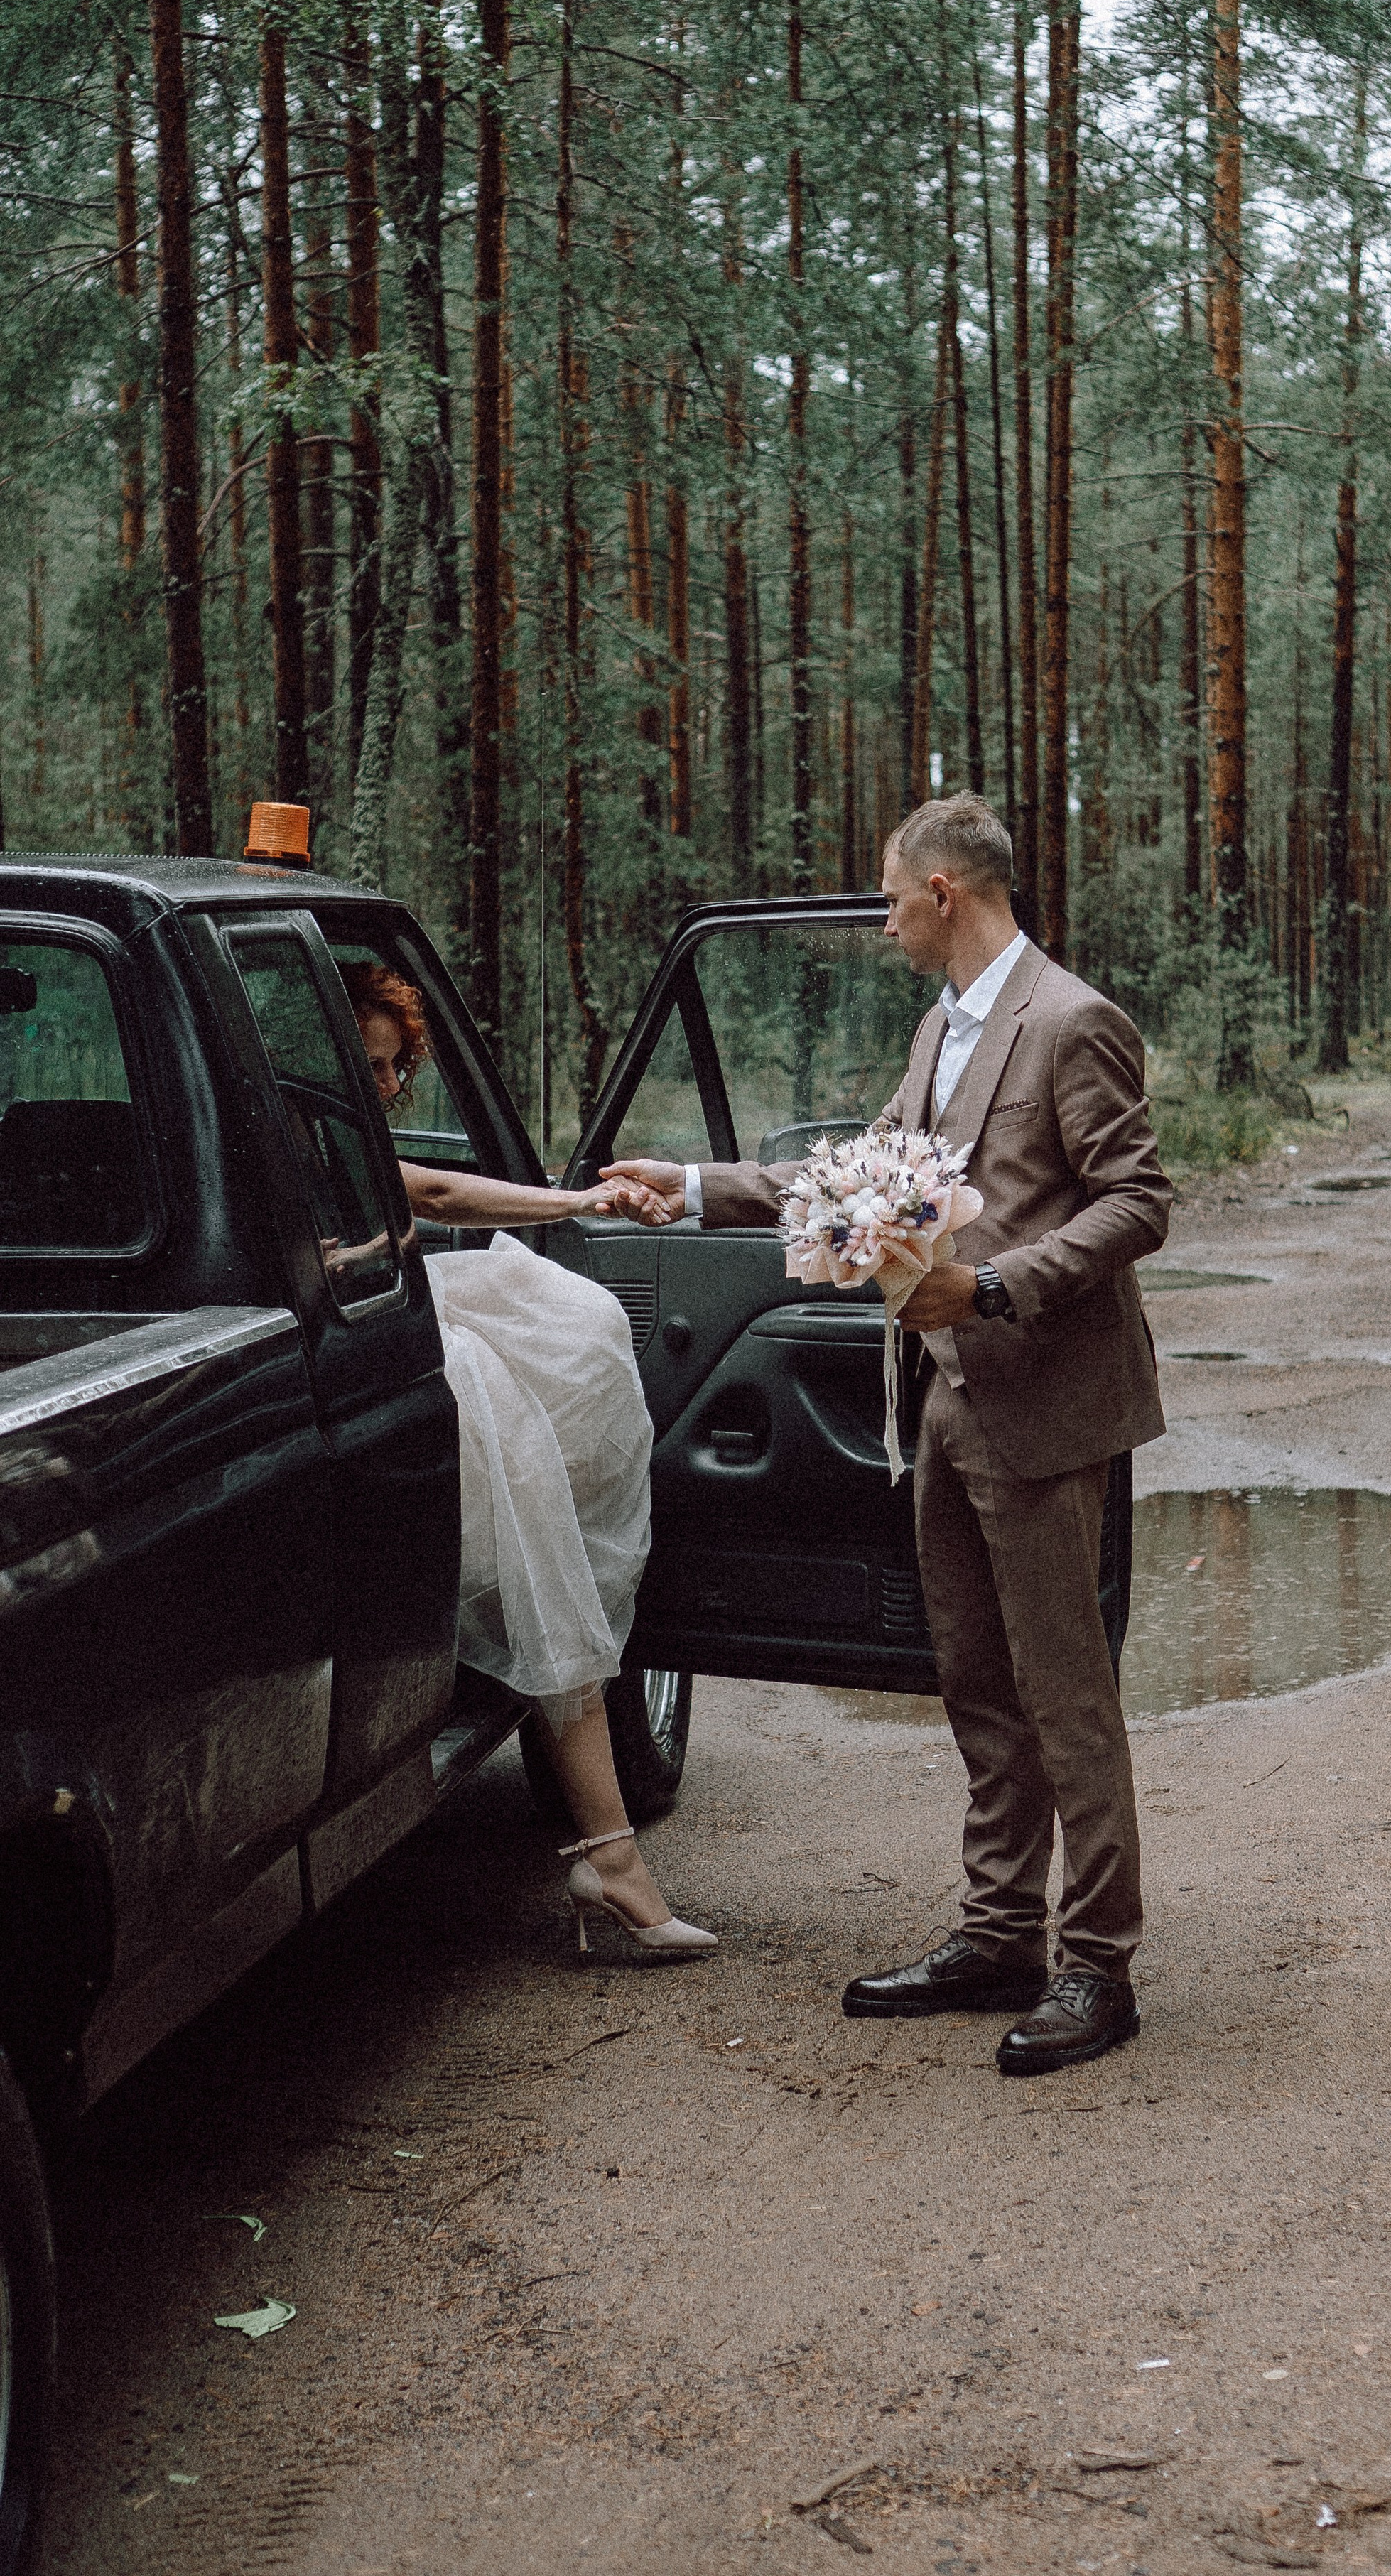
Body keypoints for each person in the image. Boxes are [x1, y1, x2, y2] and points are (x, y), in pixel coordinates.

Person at [604, 796, 1169, 2072]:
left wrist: (998, 1284)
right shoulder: (941, 1029)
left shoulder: (1070, 1022)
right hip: (941, 1400)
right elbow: (854, 1179)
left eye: (893, 897)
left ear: (945, 893)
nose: (885, 920)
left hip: (1042, 1400)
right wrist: (683, 1187)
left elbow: (1139, 1200)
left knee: (1065, 1695)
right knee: (976, 1683)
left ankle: (1098, 1965)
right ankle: (1000, 1935)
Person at [342, 964, 714, 1962]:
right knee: (540, 1547)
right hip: (377, 1341)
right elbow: (441, 1190)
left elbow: (432, 1200)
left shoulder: (327, 1132)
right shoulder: (308, 1133)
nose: (388, 1085)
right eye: (369, 1065)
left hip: (393, 1318)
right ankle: (611, 1858)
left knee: (580, 1327)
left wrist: (574, 1200)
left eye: (396, 1068)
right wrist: (579, 1199)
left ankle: (611, 1854)